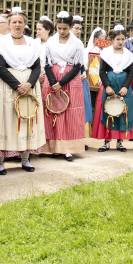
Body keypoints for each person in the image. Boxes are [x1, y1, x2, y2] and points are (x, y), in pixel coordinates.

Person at [0, 8, 45, 174]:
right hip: (9, 86)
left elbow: (37, 66)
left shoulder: (32, 43)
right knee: (6, 119)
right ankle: (0, 162)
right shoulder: (0, 44)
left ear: (25, 24)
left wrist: (29, 84)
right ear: (8, 24)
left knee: (27, 118)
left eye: (20, 22)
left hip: (29, 86)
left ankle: (26, 158)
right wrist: (17, 85)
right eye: (13, 22)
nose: (17, 25)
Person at [43, 11, 85, 161]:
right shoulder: (50, 42)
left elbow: (77, 66)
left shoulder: (77, 44)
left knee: (69, 113)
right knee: (53, 110)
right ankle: (53, 147)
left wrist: (61, 83)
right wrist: (54, 82)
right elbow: (47, 64)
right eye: (59, 28)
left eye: (65, 29)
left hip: (69, 79)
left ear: (70, 27)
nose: (61, 31)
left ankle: (68, 148)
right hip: (52, 77)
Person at [93, 26, 133, 150]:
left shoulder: (128, 55)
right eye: (118, 39)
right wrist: (107, 86)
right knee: (109, 110)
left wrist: (125, 87)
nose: (120, 42)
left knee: (123, 111)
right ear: (112, 39)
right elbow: (101, 71)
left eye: (123, 39)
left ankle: (120, 142)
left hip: (123, 87)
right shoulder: (106, 54)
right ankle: (106, 141)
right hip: (110, 86)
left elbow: (130, 73)